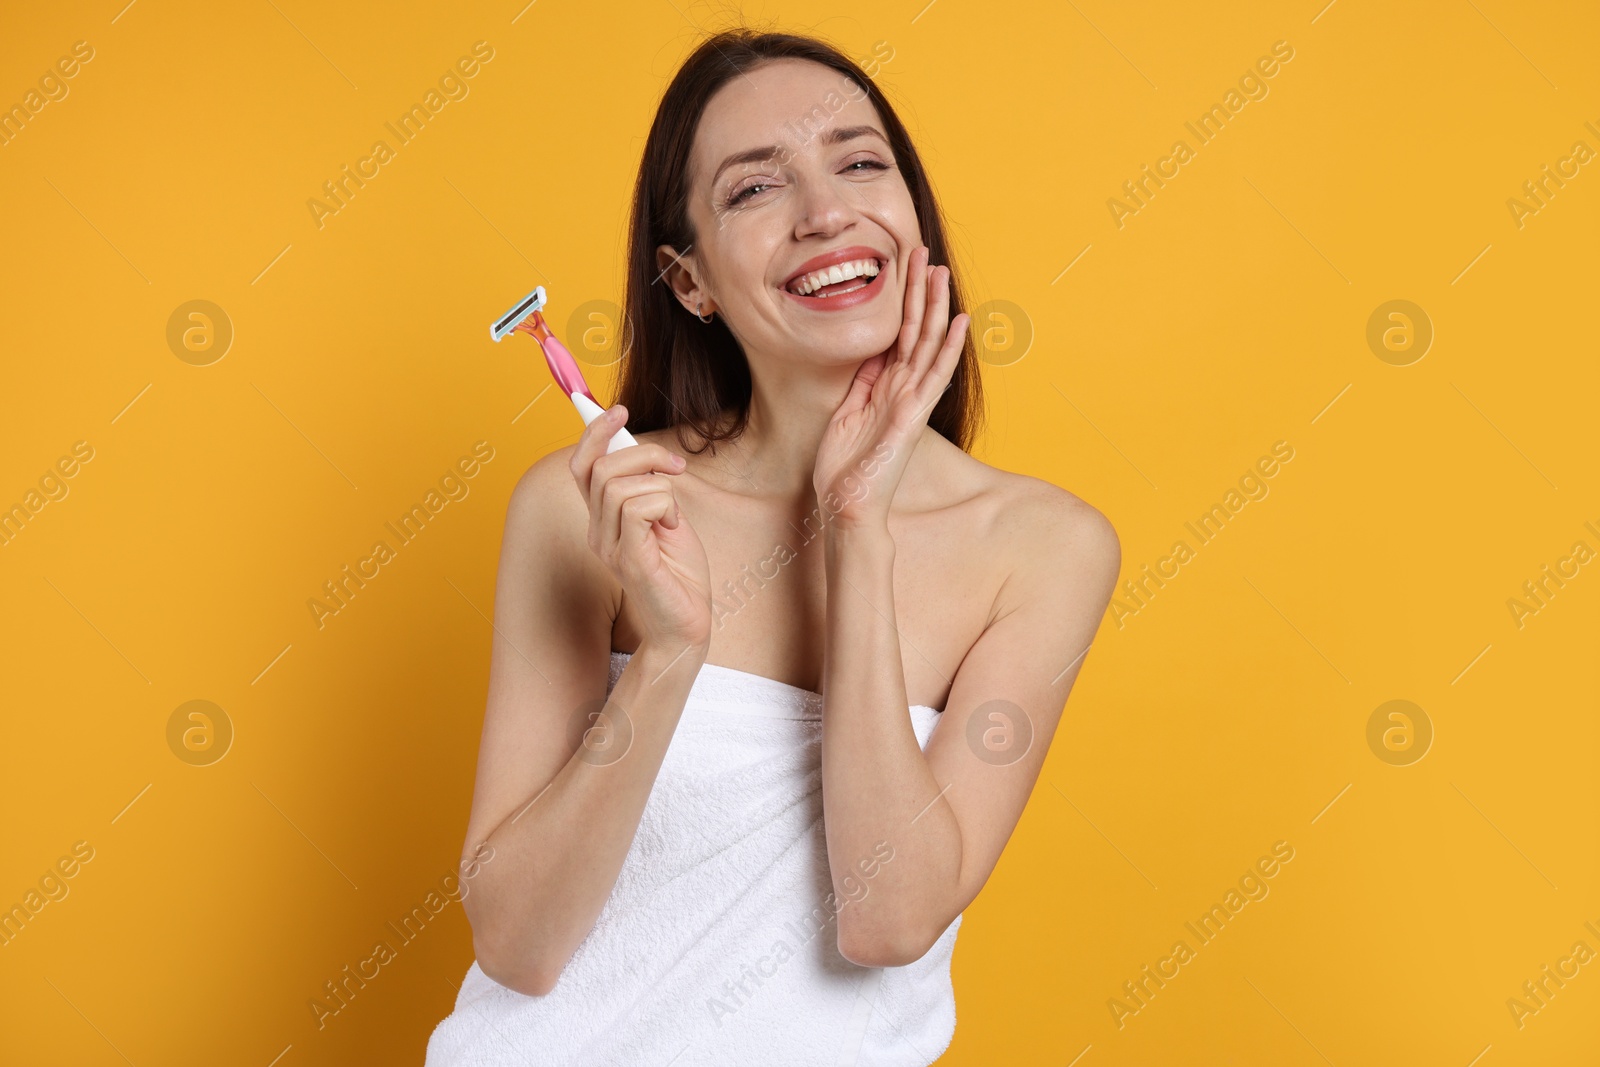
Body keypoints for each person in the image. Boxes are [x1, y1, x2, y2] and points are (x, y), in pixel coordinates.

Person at [426, 27, 1119, 1067]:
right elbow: (518, 946)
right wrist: (667, 654)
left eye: (858, 162)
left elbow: (886, 919)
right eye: (755, 190)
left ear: (910, 220)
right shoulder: (591, 512)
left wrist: (856, 526)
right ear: (691, 281)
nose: (825, 211)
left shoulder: (1042, 547)